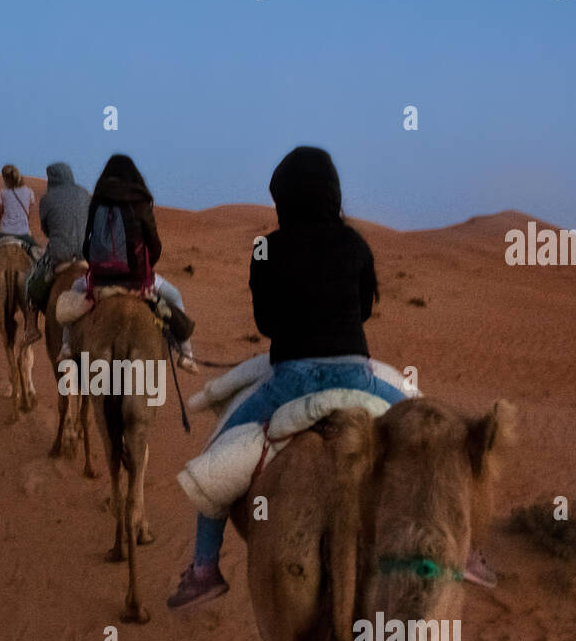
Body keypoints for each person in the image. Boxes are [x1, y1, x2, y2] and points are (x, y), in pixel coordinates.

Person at [166, 146, 408, 610]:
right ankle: (463, 548)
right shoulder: (356, 243)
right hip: (358, 377)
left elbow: (265, 324)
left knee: (218, 454)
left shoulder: (266, 247)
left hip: (290, 382)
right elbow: (363, 310)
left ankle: (204, 569)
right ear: (332, 192)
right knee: (425, 432)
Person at [58, 154, 197, 370]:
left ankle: (66, 347)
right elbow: (155, 246)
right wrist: (145, 266)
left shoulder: (97, 202)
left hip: (100, 282)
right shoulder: (140, 202)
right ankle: (186, 354)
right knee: (175, 296)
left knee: (74, 289)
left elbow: (87, 245)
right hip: (137, 282)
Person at [21, 162, 91, 345]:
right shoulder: (85, 194)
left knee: (31, 281)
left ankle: (31, 327)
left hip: (60, 256)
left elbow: (46, 229)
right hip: (86, 256)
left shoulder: (47, 199)